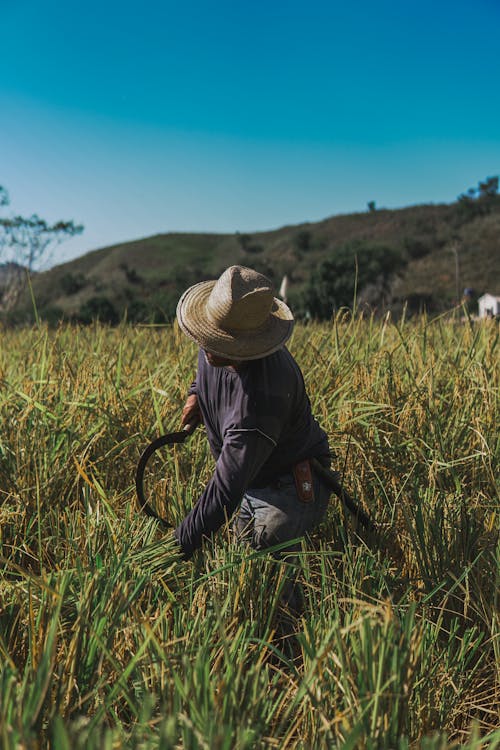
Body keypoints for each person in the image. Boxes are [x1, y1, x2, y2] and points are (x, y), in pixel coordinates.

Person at [173, 265, 332, 580]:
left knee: (264, 574)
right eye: (208, 335)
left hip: (283, 487)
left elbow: (224, 491)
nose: (206, 347)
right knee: (232, 564)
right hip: (250, 477)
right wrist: (197, 395)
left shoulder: (261, 399)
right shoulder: (216, 347)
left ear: (247, 346)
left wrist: (174, 550)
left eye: (219, 342)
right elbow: (206, 369)